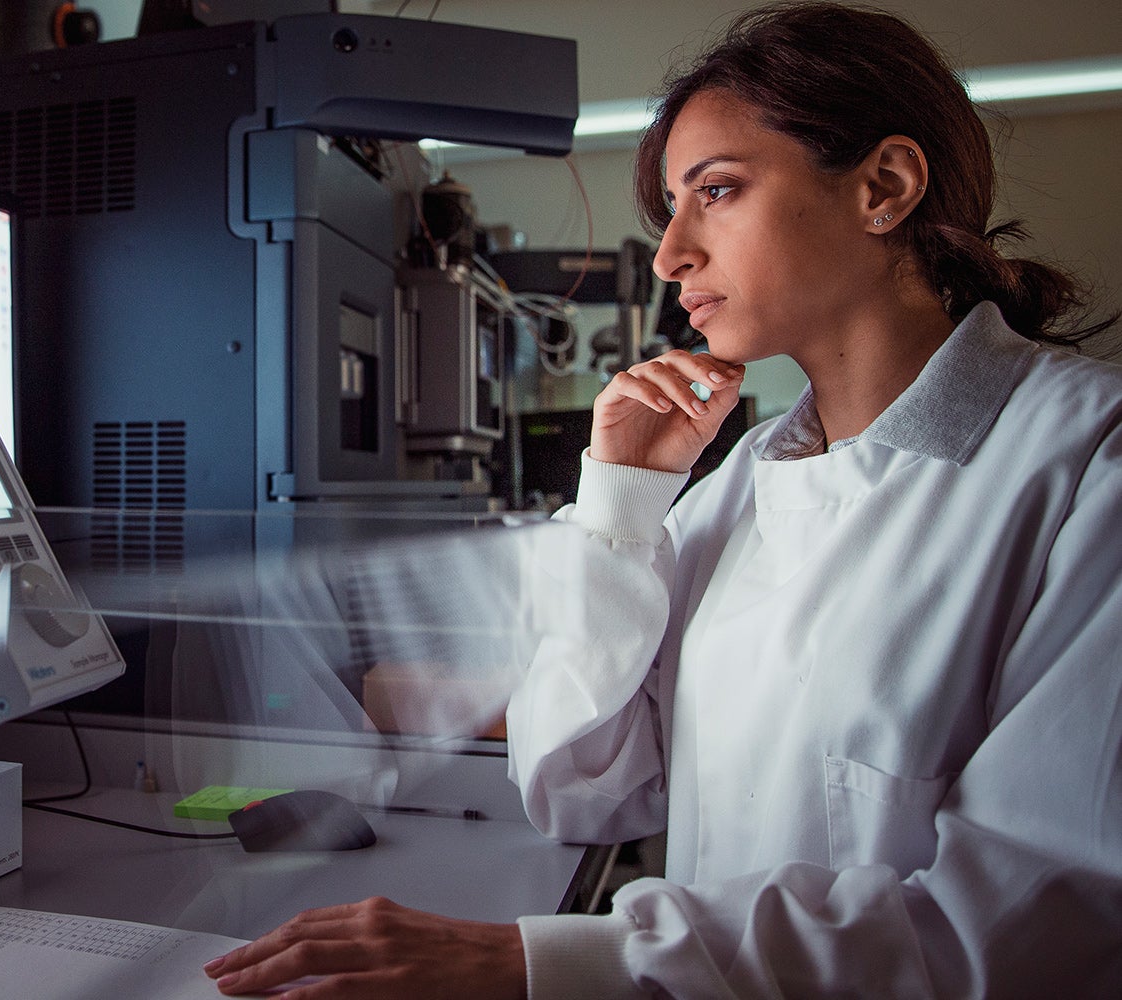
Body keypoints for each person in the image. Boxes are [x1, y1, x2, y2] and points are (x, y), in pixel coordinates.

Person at [203, 3, 1122, 996]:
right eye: (670, 209)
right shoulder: (743, 483)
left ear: (884, 187)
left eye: (715, 191)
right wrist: (620, 504)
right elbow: (578, 782)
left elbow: (1025, 929)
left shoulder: (1086, 466)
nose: (670, 254)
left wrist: (528, 960)